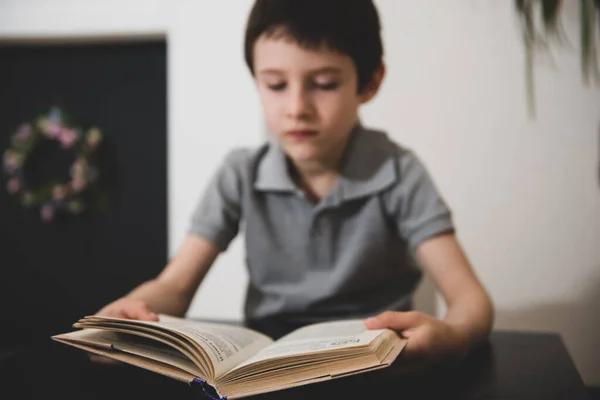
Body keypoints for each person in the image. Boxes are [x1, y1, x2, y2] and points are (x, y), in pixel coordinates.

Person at [94, 0, 494, 370]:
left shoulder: (398, 172)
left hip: (373, 366)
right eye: (275, 85)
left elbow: (469, 299)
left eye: (323, 83)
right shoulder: (240, 173)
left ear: (369, 83)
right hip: (267, 369)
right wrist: (136, 311)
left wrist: (455, 336)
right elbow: (175, 285)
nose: (297, 107)